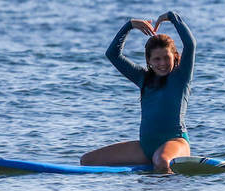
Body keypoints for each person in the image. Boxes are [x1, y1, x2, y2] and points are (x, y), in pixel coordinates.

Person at [81, 11, 195, 173]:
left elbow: (190, 45)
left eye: (166, 58)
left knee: (161, 161)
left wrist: (173, 18)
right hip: (145, 147)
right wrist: (129, 26)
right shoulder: (143, 78)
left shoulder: (181, 77)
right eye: (157, 59)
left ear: (175, 56)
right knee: (87, 160)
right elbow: (112, 54)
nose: (162, 63)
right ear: (148, 60)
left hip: (176, 143)